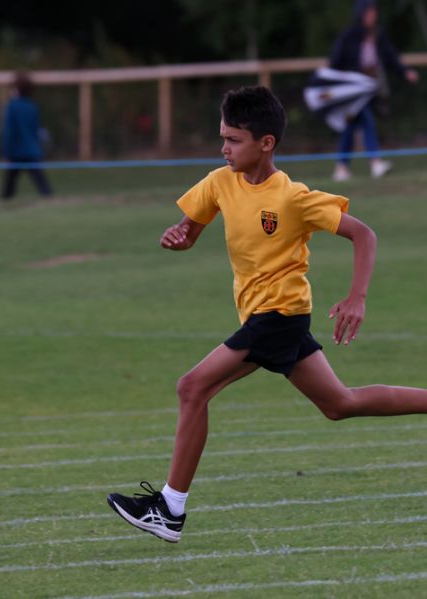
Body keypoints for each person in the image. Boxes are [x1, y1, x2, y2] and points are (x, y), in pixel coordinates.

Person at [106, 85, 427, 543]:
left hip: (279, 315)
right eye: (223, 137)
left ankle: (169, 509)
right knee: (339, 404)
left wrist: (356, 297)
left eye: (234, 140)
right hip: (266, 317)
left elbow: (364, 234)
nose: (224, 148)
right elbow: (189, 231)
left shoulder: (293, 198)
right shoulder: (219, 182)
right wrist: (178, 237)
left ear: (266, 143)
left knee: (192, 387)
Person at [330, 0, 419, 181]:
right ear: (361, 14)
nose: (372, 16)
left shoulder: (378, 34)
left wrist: (405, 71)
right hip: (351, 90)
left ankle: (341, 167)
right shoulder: (349, 36)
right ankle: (374, 162)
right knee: (366, 120)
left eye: (374, 12)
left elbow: (391, 56)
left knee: (350, 126)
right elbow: (335, 62)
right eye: (369, 12)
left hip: (369, 89)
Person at [0, 71, 52, 199]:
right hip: (32, 151)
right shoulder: (32, 106)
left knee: (9, 187)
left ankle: (5, 203)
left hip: (17, 153)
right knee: (42, 184)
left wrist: (6, 153)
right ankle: (50, 199)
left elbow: (9, 132)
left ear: (16, 89)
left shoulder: (12, 107)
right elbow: (37, 131)